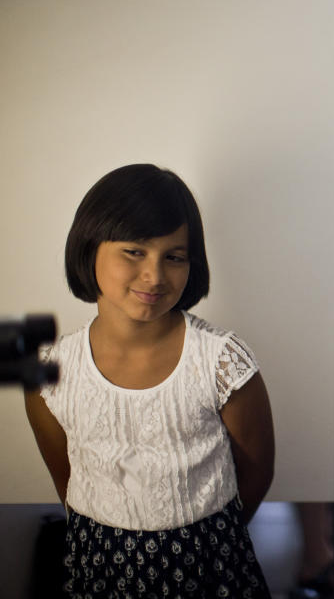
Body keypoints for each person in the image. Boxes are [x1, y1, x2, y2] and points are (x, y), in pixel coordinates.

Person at [24, 164, 275, 598]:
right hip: (98, 564)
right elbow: (65, 475)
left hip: (211, 564)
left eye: (174, 257)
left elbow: (255, 473)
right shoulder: (51, 374)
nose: (155, 276)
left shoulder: (222, 361)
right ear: (89, 249)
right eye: (135, 252)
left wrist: (205, 537)